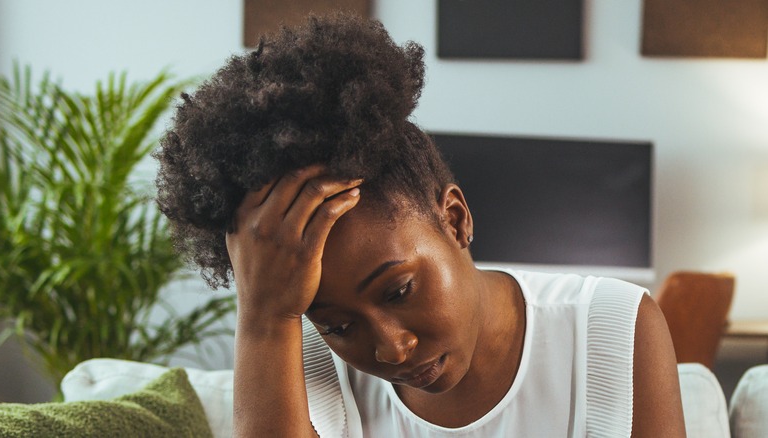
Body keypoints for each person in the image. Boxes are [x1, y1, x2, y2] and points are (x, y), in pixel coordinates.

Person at [154, 13, 686, 438]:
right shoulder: (303, 356)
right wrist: (265, 318)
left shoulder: (611, 328)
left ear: (454, 218)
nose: (390, 349)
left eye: (399, 289)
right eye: (338, 325)